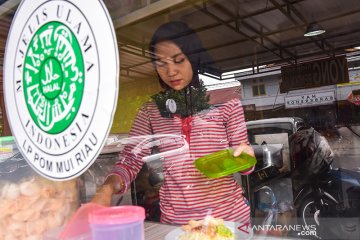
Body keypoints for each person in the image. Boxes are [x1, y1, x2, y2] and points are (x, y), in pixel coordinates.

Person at [92, 21, 254, 225]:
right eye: (161, 64)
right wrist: (106, 188)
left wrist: (247, 158)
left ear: (194, 59)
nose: (171, 72)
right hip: (177, 224)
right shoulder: (151, 110)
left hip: (228, 219)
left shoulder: (226, 102)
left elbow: (244, 164)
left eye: (179, 60)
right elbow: (130, 160)